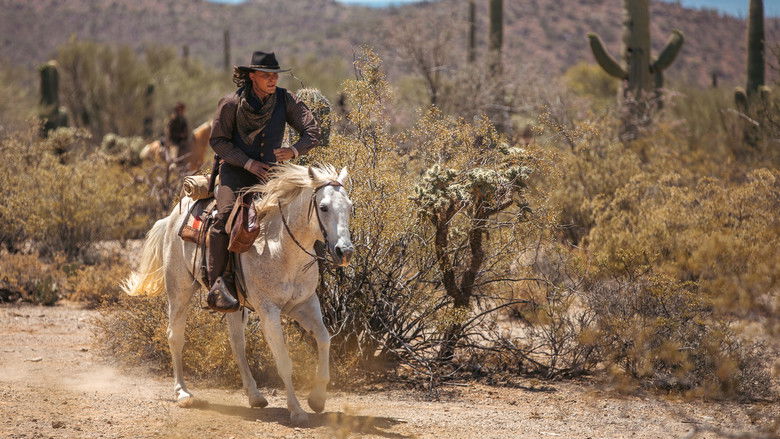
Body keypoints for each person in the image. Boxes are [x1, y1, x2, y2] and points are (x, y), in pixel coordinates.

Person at [206, 51, 321, 312]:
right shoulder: (230, 103)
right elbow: (218, 141)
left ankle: (302, 282)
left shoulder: (285, 99)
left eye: (275, 76)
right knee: (223, 219)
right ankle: (218, 287)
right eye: (266, 75)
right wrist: (247, 163)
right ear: (251, 76)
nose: (272, 80)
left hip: (271, 176)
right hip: (235, 173)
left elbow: (312, 131)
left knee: (302, 216)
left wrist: (294, 151)